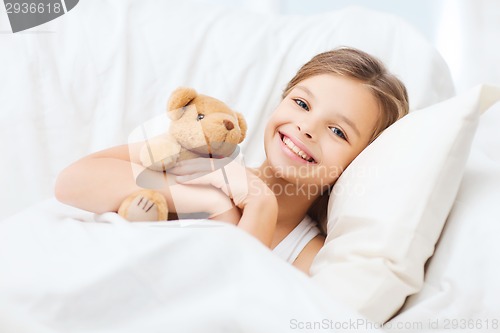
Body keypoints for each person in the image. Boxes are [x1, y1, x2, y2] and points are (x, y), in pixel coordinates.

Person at [55, 47, 409, 275]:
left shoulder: (308, 256)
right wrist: (205, 199)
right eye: (301, 104)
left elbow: (226, 295)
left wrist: (260, 206)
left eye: (337, 131)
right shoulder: (202, 157)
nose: (307, 127)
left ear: (360, 161)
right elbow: (71, 183)